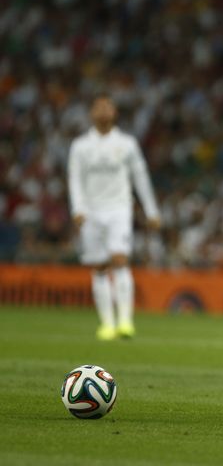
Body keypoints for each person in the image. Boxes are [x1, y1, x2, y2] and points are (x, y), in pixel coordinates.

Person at [67, 94, 160, 340]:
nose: (103, 111)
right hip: (91, 211)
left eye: (107, 106)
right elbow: (75, 179)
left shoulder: (127, 143)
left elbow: (140, 176)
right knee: (99, 266)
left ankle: (125, 321)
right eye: (98, 107)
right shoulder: (80, 146)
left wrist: (151, 210)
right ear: (91, 113)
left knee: (120, 259)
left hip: (119, 208)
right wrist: (77, 209)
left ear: (115, 112)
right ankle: (107, 324)